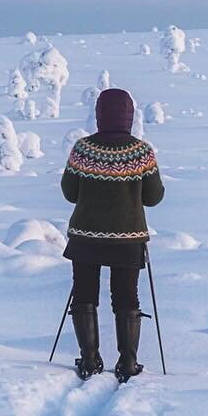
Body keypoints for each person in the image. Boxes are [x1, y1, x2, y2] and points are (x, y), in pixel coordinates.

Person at [60, 87, 164, 381]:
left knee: (84, 294)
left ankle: (90, 360)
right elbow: (153, 198)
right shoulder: (141, 152)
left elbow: (69, 193)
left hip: (85, 238)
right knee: (127, 298)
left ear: (99, 115)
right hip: (128, 239)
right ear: (129, 116)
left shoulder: (83, 149)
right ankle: (128, 363)